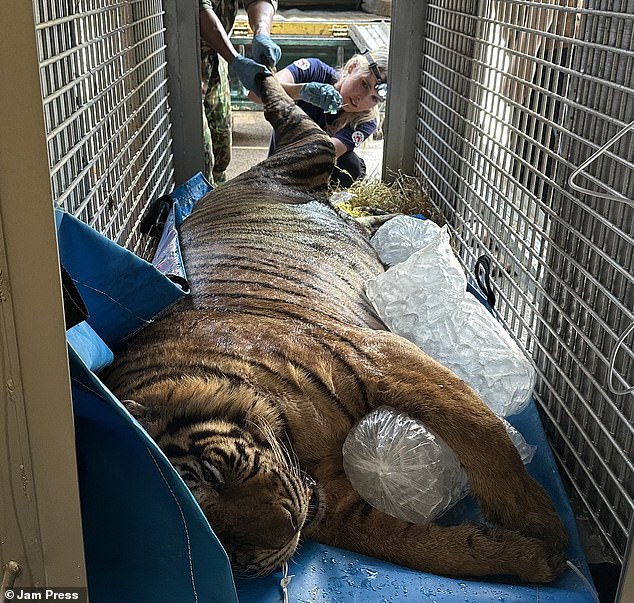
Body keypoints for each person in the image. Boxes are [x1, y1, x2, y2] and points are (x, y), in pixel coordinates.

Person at [262, 47, 389, 188]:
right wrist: (301, 91)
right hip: (280, 160)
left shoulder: (365, 121)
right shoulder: (314, 70)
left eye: (374, 98)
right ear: (352, 68)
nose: (362, 98)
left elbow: (322, 153)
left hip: (311, 172)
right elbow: (257, 93)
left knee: (352, 167)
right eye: (364, 84)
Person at [199, 0, 281, 185]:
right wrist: (235, 59)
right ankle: (200, 209)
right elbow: (197, 12)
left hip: (215, 65)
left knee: (221, 153)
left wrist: (261, 32)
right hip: (186, 65)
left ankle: (217, 201)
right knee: (200, 157)